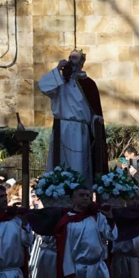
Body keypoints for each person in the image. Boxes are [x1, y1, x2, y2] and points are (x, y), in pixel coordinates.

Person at [39, 49, 107, 186]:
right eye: (70, 57)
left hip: (80, 130)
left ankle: (79, 192)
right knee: (60, 164)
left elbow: (93, 112)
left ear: (82, 62)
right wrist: (58, 69)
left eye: (75, 58)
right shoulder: (59, 82)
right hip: (62, 128)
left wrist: (95, 120)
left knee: (79, 164)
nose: (71, 60)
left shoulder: (89, 84)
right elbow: (43, 86)